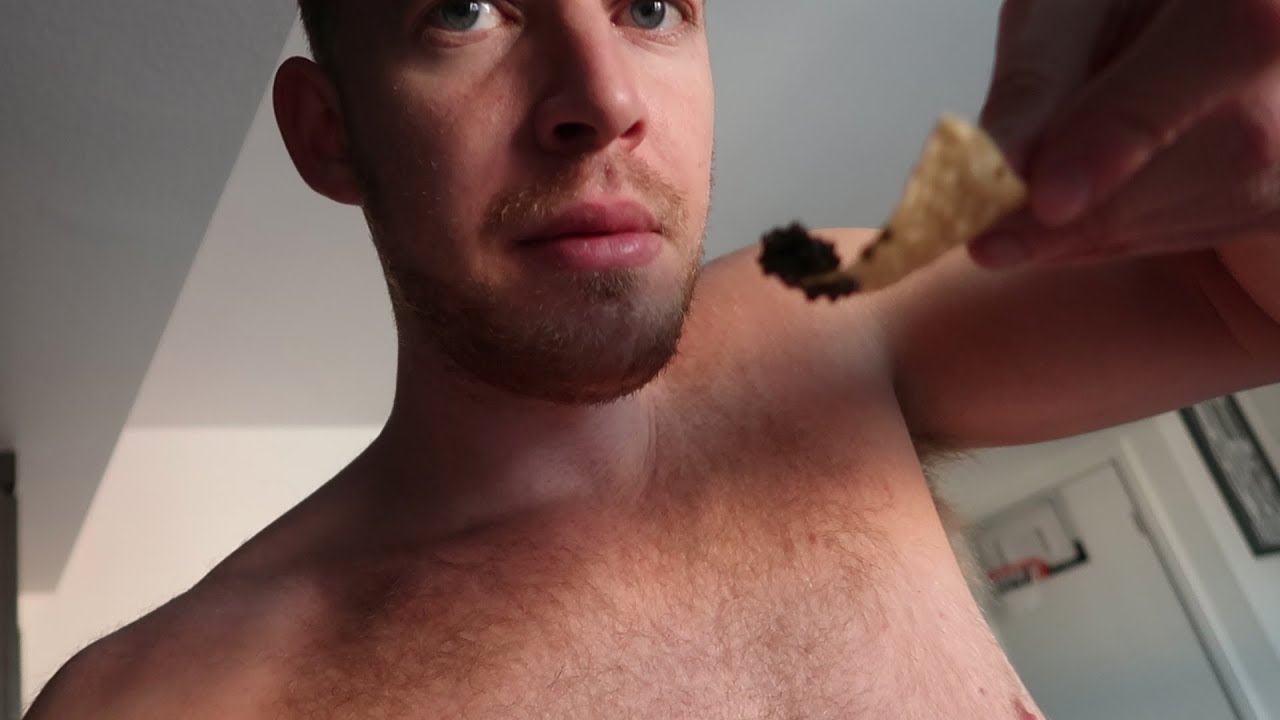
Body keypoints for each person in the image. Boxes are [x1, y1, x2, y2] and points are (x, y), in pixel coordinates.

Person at [26, 0, 1280, 717]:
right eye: (461, 9)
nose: (603, 96)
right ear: (329, 132)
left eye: (647, 5)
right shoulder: (170, 702)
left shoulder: (823, 318)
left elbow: (1243, 295)